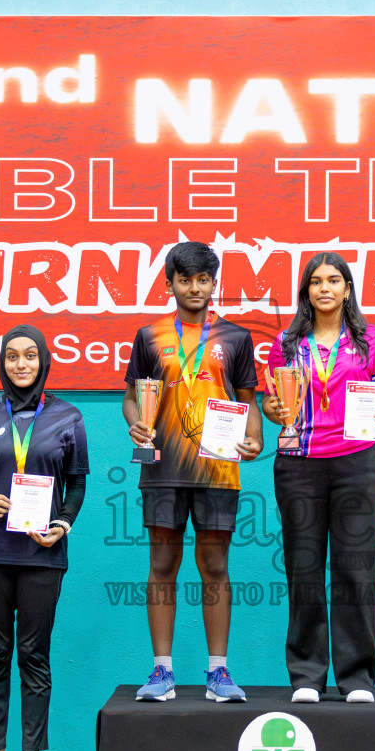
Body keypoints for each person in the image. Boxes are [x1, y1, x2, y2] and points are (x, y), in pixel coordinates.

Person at [123, 241, 262, 703]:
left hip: (218, 468)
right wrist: (134, 422)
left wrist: (256, 438)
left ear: (214, 283)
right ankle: (161, 671)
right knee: (162, 565)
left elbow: (248, 401)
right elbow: (131, 397)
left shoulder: (237, 338)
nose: (195, 287)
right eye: (186, 279)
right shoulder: (148, 336)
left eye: (204, 279)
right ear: (170, 284)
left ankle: (218, 673)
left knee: (216, 566)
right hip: (161, 465)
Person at [0, 325, 88, 751]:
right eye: (12, 357)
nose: (21, 364)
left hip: (42, 554)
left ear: (43, 360)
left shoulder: (68, 417)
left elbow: (78, 483)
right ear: (2, 363)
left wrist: (64, 523)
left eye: (30, 356)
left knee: (34, 654)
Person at [261, 252, 375, 704]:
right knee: (303, 569)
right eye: (316, 281)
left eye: (333, 280)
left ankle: (356, 677)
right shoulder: (286, 342)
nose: (324, 288)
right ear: (306, 291)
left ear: (347, 288)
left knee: (357, 570)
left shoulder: (372, 340)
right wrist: (274, 410)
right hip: (299, 463)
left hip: (357, 461)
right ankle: (306, 676)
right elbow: (271, 401)